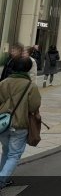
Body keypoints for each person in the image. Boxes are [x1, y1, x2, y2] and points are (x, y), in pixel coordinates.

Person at [0, 56, 42, 189]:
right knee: (14, 155)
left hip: (2, 124)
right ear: (28, 68)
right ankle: (1, 181)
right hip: (20, 125)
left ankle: (4, 179)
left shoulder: (3, 83)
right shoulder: (30, 86)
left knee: (6, 152)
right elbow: (34, 106)